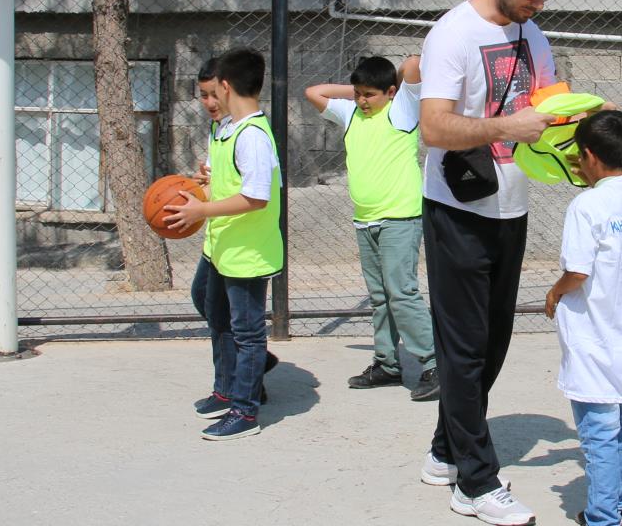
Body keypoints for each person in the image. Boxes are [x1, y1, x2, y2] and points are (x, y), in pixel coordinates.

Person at [416, 0, 561, 526]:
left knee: (494, 340)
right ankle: (475, 483)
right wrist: (508, 124)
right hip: (457, 208)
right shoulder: (452, 34)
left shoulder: (536, 36)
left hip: (511, 207)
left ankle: (445, 449)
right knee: (465, 344)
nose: (538, 4)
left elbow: (546, 112)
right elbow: (434, 129)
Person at [542, 111, 622, 526]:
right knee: (621, 427)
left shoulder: (587, 206)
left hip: (595, 341)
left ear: (588, 155)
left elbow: (578, 271)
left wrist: (553, 294)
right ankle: (613, 509)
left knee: (598, 436)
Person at [304, 55, 440, 399]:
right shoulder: (351, 113)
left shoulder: (402, 111)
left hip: (399, 218)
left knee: (401, 292)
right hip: (365, 221)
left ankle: (434, 365)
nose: (362, 101)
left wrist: (389, 87)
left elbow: (412, 65)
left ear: (390, 92)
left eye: (370, 95)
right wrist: (357, 90)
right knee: (380, 297)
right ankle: (387, 365)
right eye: (359, 94)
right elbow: (313, 92)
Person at [167, 48, 284, 442]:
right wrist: (205, 183)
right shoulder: (227, 130)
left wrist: (202, 210)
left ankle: (245, 411)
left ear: (226, 85)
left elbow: (256, 197)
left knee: (246, 333)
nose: (208, 100)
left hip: (247, 253)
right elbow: (232, 180)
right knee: (212, 308)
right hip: (222, 246)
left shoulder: (252, 136)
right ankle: (231, 385)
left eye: (211, 91)